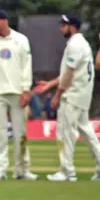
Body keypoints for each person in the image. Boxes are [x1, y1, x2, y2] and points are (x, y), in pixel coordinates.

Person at [33, 14, 100, 181]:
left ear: (73, 27)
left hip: (73, 95)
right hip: (81, 95)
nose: (61, 28)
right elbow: (69, 73)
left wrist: (57, 95)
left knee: (65, 133)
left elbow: (68, 74)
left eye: (64, 25)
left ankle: (67, 171)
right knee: (87, 131)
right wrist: (49, 84)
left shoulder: (75, 45)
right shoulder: (80, 44)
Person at [0, 9, 37, 181]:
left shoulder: (20, 40)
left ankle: (22, 170)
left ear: (4, 21)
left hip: (18, 92)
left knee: (21, 134)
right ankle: (0, 169)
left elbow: (27, 66)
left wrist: (26, 89)